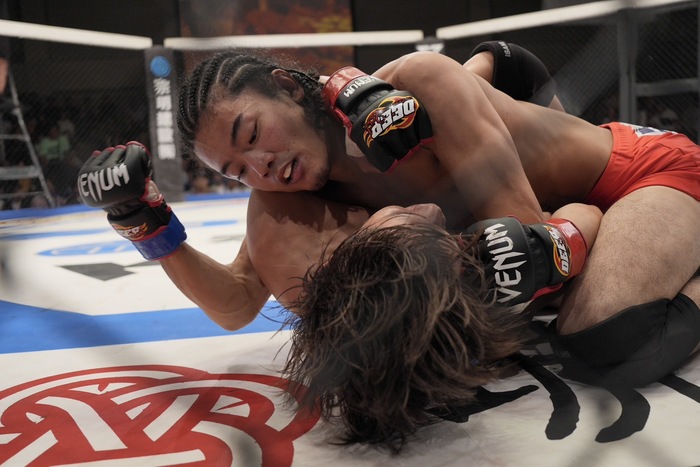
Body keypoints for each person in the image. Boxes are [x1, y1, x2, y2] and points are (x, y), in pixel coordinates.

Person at [78, 43, 700, 394]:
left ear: (287, 88)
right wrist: (145, 226)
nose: (261, 167)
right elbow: (239, 301)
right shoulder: (289, 199)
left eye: (252, 134)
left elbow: (527, 240)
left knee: (605, 337)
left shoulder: (415, 86)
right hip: (567, 209)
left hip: (639, 173)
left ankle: (495, 68)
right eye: (237, 171)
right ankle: (497, 69)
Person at [282, 201, 602, 452]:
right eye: (430, 234)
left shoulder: (315, 234)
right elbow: (587, 214)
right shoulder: (504, 258)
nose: (432, 214)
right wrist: (545, 242)